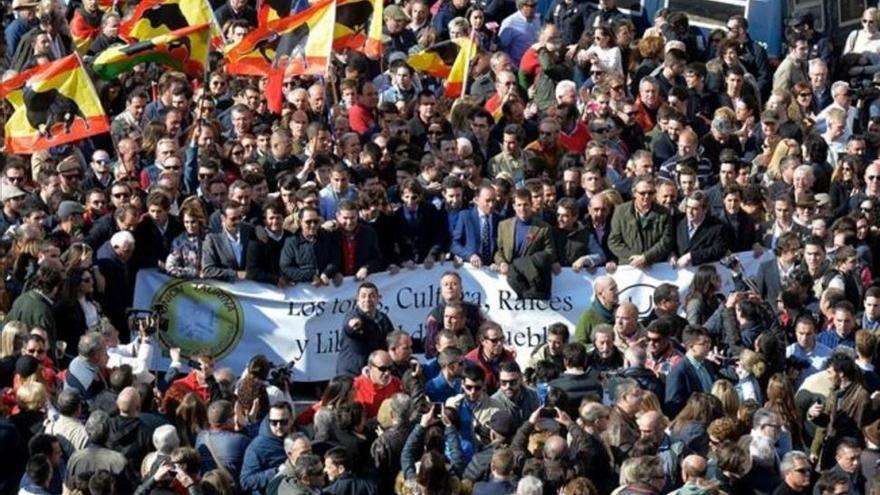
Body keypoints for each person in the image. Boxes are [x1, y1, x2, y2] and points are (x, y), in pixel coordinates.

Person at [608, 176, 673, 269]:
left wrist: (646, 257)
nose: (646, 196)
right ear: (634, 193)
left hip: (655, 266)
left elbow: (666, 241)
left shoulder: (664, 213)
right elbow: (614, 241)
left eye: (650, 193)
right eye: (642, 193)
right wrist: (634, 258)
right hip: (629, 266)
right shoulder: (620, 212)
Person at [336, 283, 395, 377]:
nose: (367, 300)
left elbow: (393, 340)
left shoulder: (382, 318)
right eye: (363, 296)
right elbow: (350, 326)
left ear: (378, 298)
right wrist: (354, 325)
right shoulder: (353, 315)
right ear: (357, 299)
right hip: (352, 374)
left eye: (372, 296)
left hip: (373, 373)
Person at [664, 326, 718, 417]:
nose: (709, 346)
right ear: (691, 346)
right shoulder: (678, 372)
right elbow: (673, 407)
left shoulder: (707, 364)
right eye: (704, 343)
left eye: (709, 342)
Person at [240, 402, 292, 494]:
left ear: (291, 420)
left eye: (283, 422)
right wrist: (277, 471)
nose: (278, 426)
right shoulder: (257, 447)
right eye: (274, 422)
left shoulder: (300, 436)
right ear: (269, 421)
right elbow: (246, 481)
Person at [201, 200, 254, 282]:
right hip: (226, 288)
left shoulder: (249, 230)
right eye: (233, 219)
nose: (238, 221)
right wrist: (235, 274)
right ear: (223, 218)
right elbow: (208, 270)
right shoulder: (213, 239)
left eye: (240, 217)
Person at [575, 275, 617, 346]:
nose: (617, 291)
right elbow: (579, 344)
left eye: (616, 287)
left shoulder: (621, 312)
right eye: (612, 289)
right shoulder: (587, 317)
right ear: (600, 293)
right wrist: (598, 346)